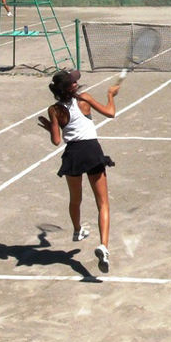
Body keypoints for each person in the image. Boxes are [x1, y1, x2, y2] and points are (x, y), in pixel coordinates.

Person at [38, 70, 121, 273]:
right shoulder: (84, 99)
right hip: (92, 151)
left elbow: (56, 140)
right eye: (74, 81)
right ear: (71, 87)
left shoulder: (54, 110)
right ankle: (104, 247)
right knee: (103, 203)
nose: (77, 82)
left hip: (73, 155)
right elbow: (110, 113)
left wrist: (50, 128)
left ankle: (77, 230)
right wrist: (111, 95)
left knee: (75, 199)